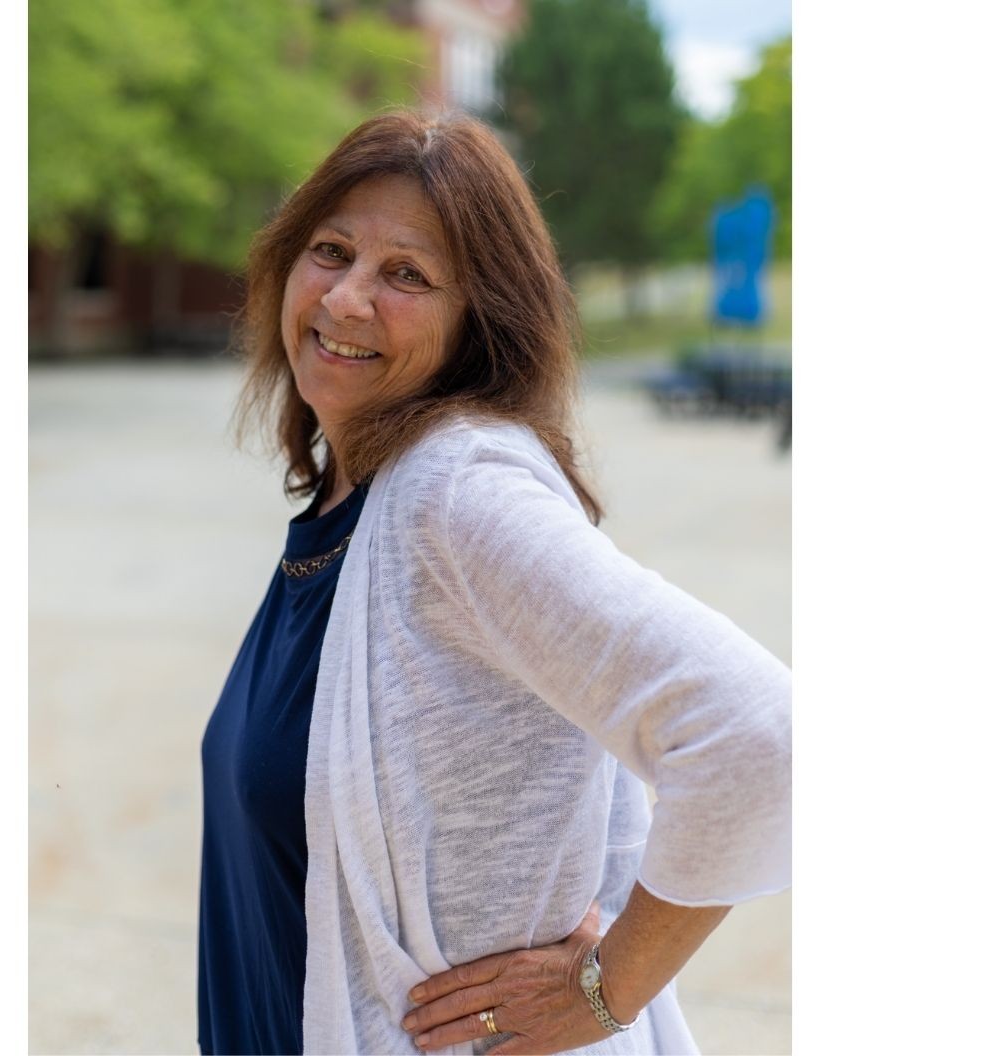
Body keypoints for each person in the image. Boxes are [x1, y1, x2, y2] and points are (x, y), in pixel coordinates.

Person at [199, 110, 792, 1056]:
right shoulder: (355, 494)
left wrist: (608, 989)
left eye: (408, 275)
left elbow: (757, 732)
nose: (348, 299)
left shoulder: (455, 495)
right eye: (332, 250)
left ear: (481, 319)